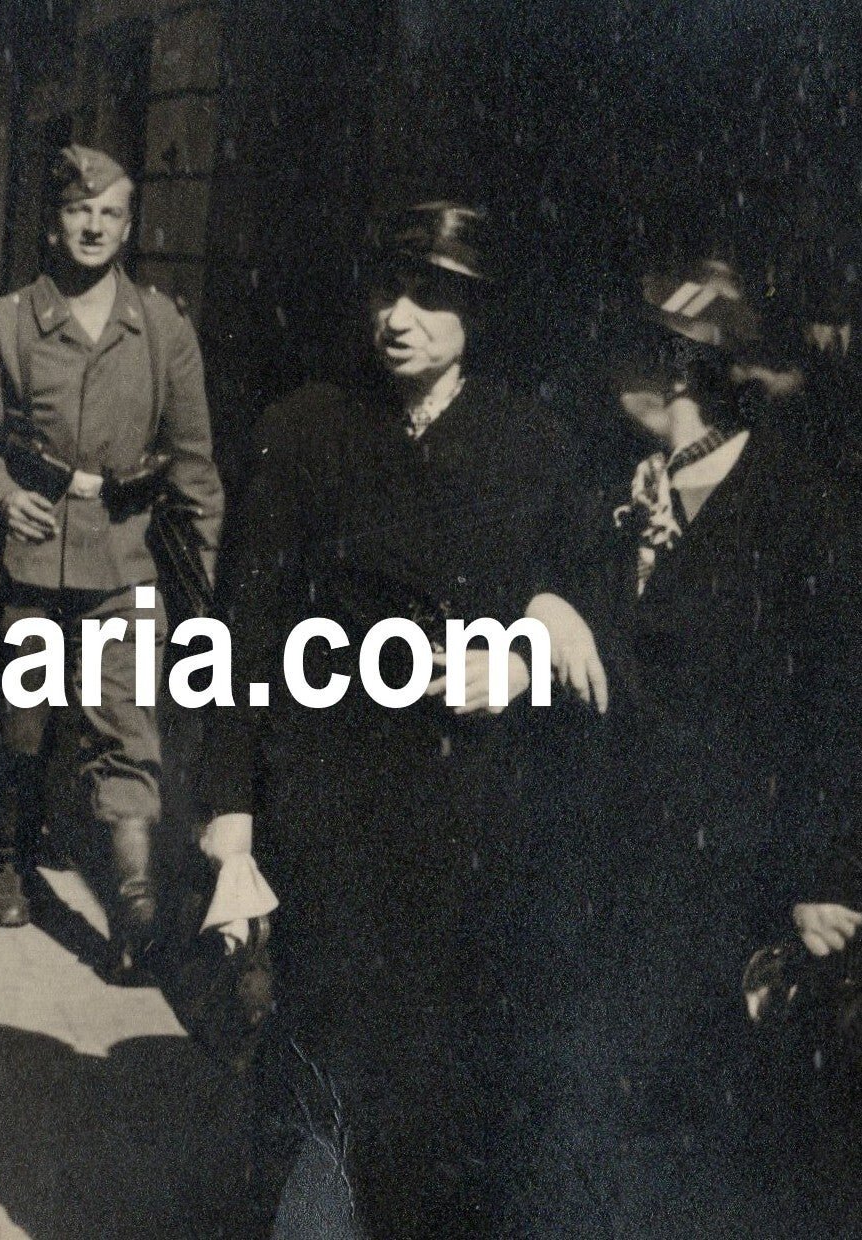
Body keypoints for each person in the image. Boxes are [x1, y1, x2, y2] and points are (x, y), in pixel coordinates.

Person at [196, 202, 584, 1237]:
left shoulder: (532, 443)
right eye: (386, 288)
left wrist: (528, 649)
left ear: (477, 313)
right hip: (330, 810)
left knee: (446, 1092)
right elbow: (242, 633)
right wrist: (230, 822)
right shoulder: (305, 429)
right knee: (320, 1074)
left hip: (471, 820)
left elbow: (585, 597)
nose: (398, 316)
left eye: (432, 295)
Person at [524, 260, 862, 1236]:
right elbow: (553, 589)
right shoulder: (614, 488)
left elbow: (842, 710)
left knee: (706, 1154)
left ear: (677, 371)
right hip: (602, 868)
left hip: (737, 885)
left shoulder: (805, 512)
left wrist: (831, 873)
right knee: (590, 1135)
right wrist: (555, 610)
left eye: (630, 349)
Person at [0, 145, 221, 981]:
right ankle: (10, 860)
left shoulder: (161, 327)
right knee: (24, 719)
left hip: (126, 557)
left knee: (125, 726)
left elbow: (191, 463)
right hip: (32, 555)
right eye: (79, 211)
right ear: (52, 221)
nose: (93, 226)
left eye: (110, 213)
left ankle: (133, 907)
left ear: (128, 226)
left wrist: (205, 577)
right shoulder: (4, 322)